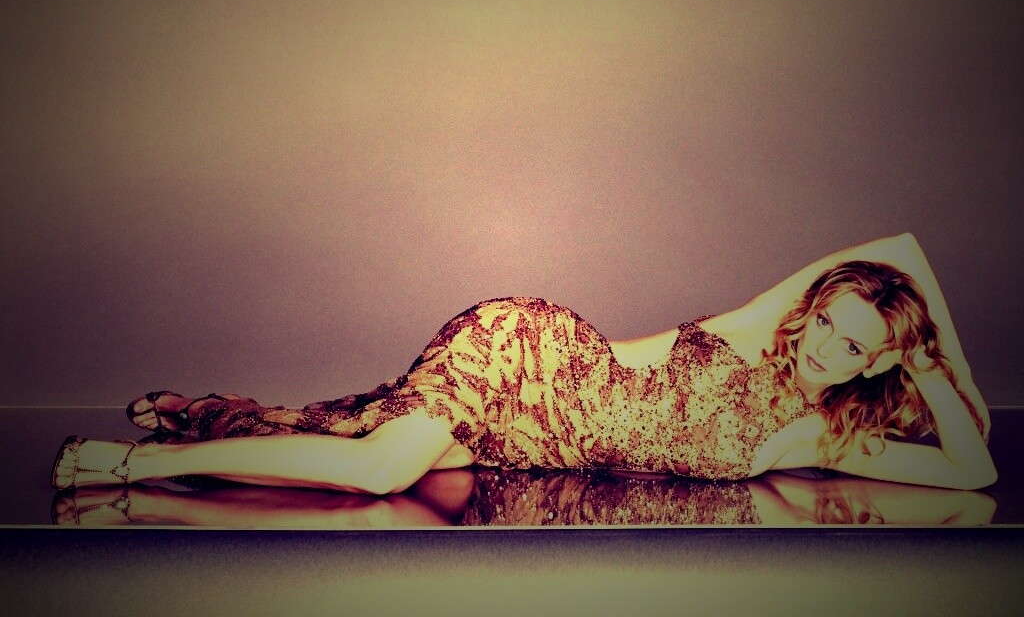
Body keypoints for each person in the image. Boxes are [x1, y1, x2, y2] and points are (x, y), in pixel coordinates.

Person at [51, 233, 996, 497]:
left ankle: (208, 415)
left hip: (532, 443)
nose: (825, 345)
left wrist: (934, 368)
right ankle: (124, 469)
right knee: (381, 468)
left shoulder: (824, 437)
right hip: (532, 359)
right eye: (828, 321)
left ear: (880, 360)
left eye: (854, 345)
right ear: (814, 309)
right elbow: (900, 248)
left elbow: (973, 469)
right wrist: (939, 340)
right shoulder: (760, 329)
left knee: (359, 427)